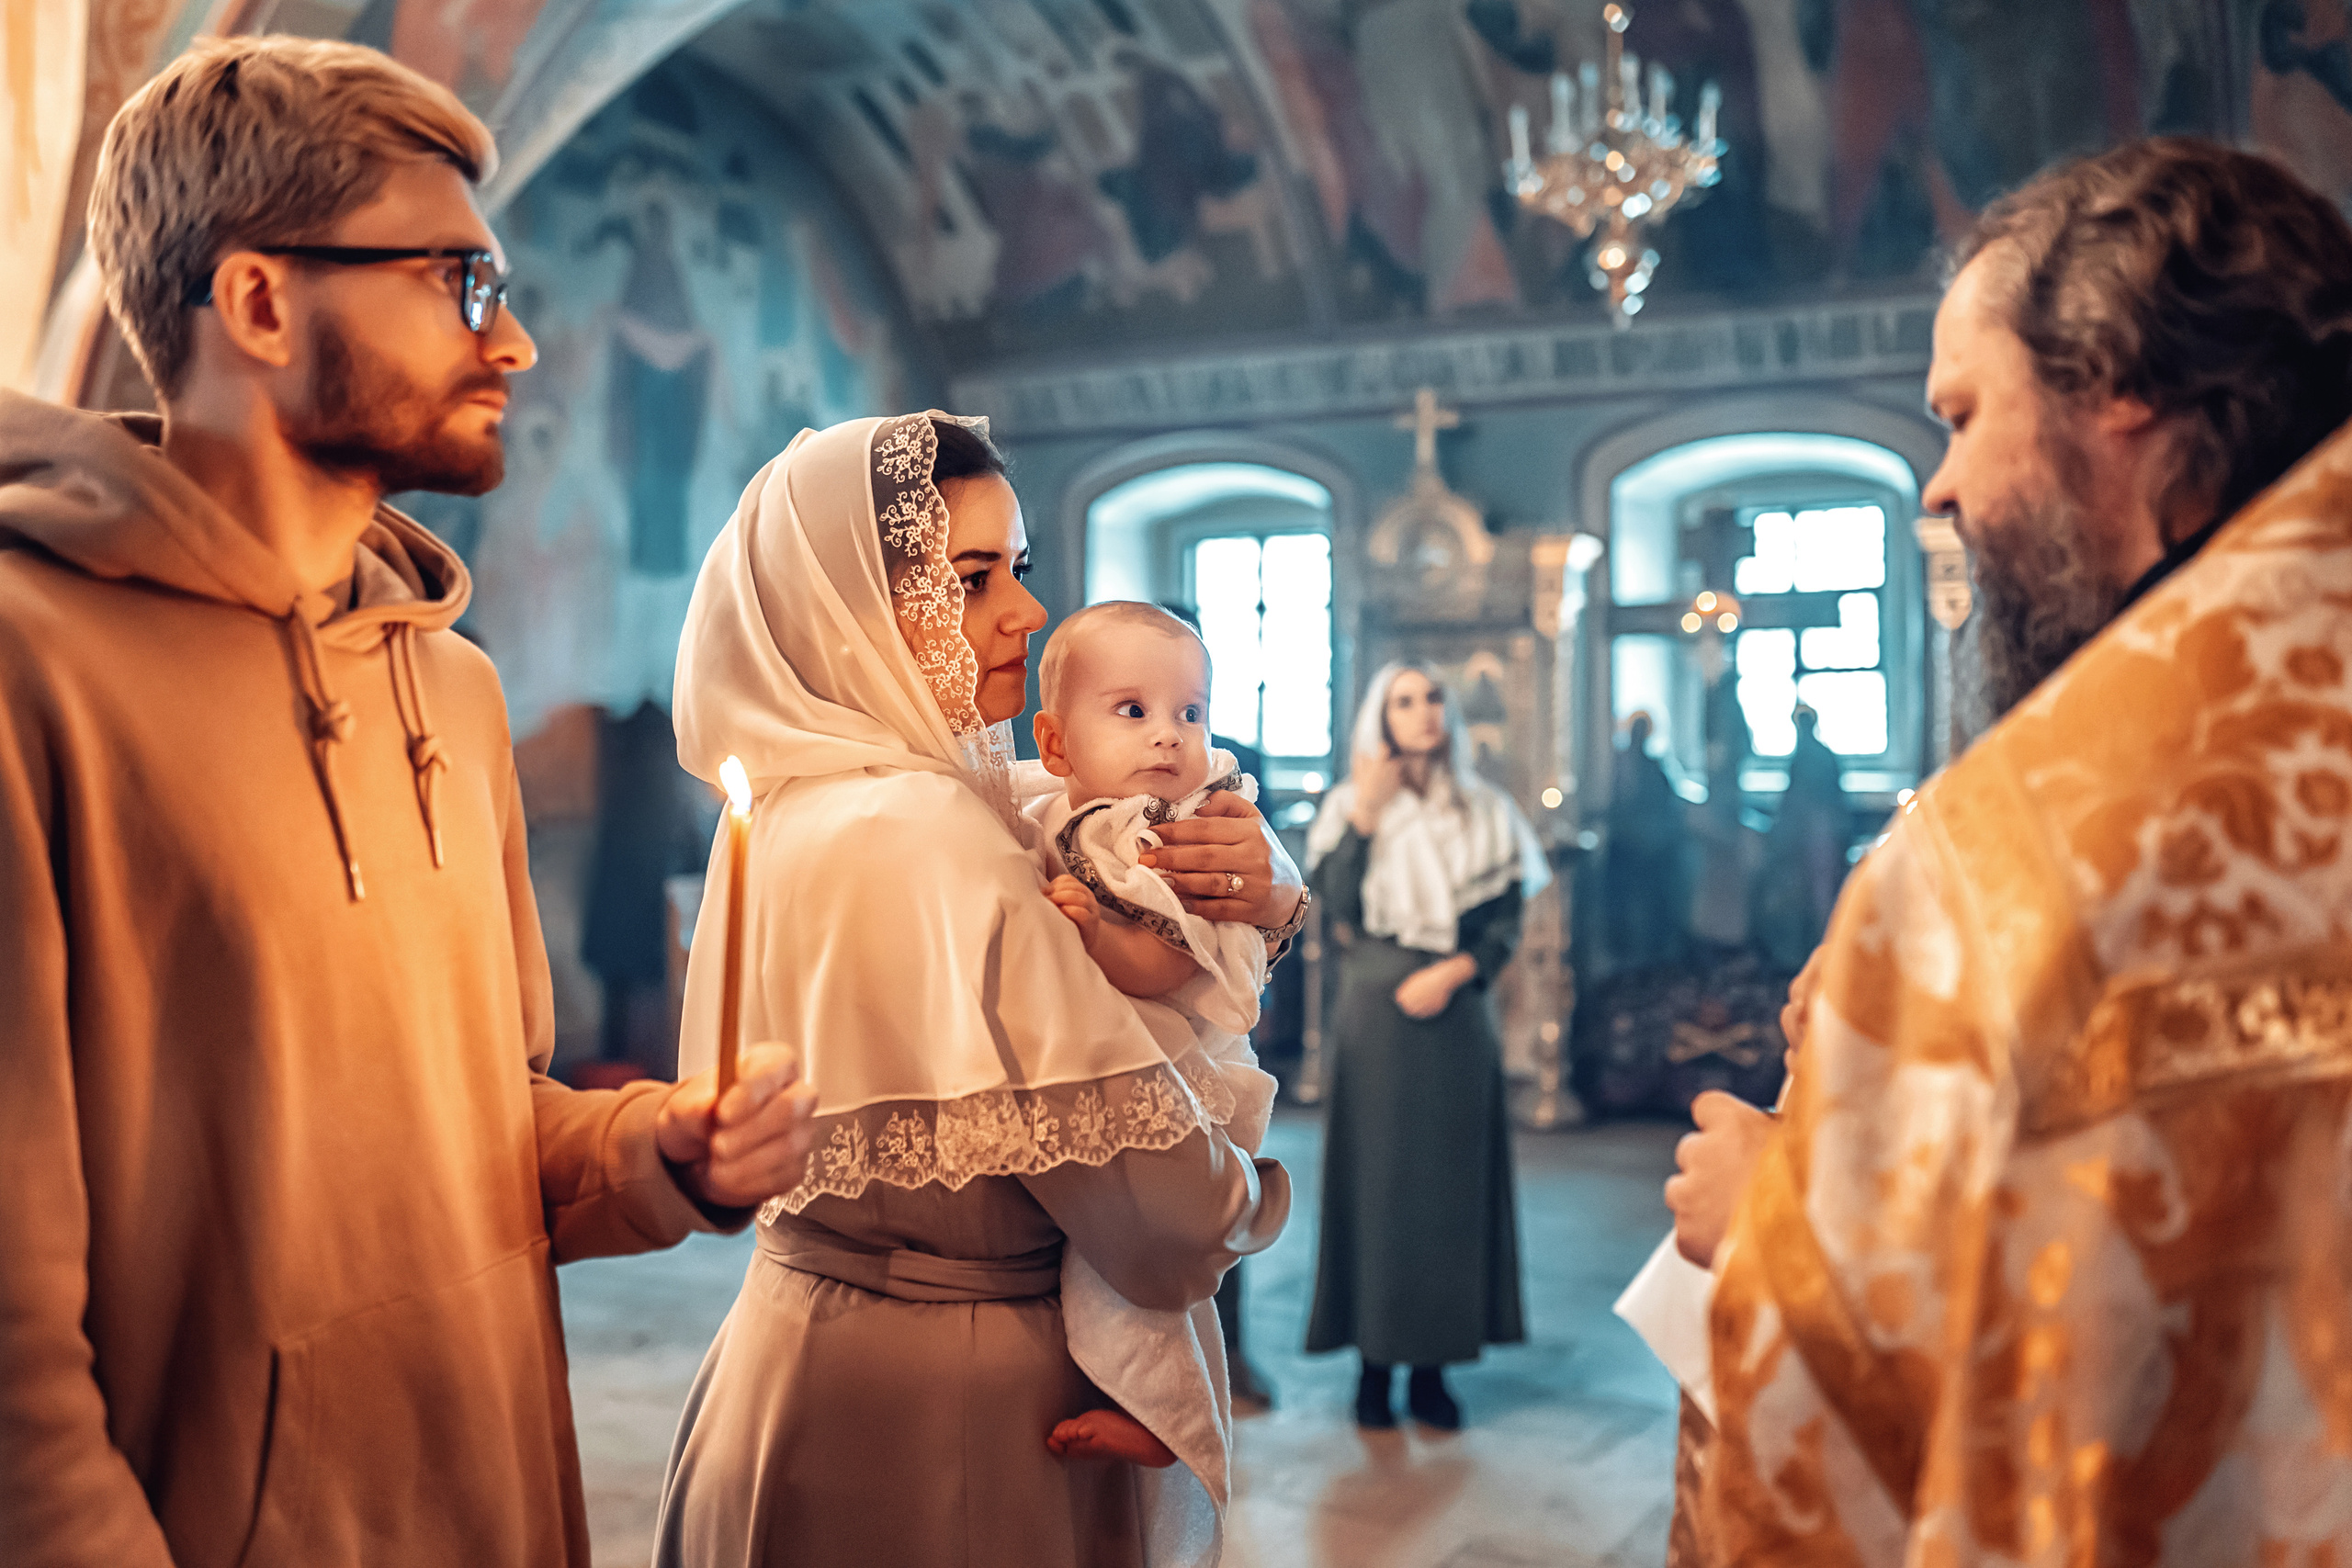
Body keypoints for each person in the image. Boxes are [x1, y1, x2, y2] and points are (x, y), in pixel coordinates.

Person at [0, 37, 818, 1568]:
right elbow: (14, 1352)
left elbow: (488, 1125)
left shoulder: (454, 687)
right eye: (461, 283)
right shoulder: (31, 667)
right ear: (259, 301)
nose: (514, 344)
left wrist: (659, 1147)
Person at [1665, 137, 2352, 1562]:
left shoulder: (2026, 850)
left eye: (1966, 415)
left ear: (2116, 387)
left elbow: (2013, 1398)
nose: (1940, 486)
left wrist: (1775, 1220)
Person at [652, 414, 1306, 1568]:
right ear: (853, 608)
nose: (1027, 611)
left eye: (1020, 567)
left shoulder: (804, 799)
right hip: (948, 1427)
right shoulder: (927, 831)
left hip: (791, 1361)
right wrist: (1248, 1189)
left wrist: (1258, 895)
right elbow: (1166, 1225)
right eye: (972, 578)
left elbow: (1084, 815)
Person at [1024, 602, 1283, 1516]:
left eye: (1190, 712)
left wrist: (1098, 936)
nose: (1169, 736)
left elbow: (1174, 957)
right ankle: (1131, 1392)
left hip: (1185, 1076)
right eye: (1132, 711)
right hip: (1118, 1068)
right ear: (1055, 744)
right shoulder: (1061, 810)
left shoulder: (1169, 835)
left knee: (1138, 1266)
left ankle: (1168, 1413)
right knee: (1093, 1260)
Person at [1303, 660, 1550, 1429]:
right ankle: (1373, 1366)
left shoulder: (1485, 809)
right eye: (1404, 701)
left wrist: (1456, 971)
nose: (1423, 712)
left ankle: (1434, 1370)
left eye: (1433, 697)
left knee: (1449, 1186)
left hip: (1455, 1009)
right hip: (1375, 1007)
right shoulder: (1349, 804)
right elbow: (1335, 906)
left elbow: (1504, 920)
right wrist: (1367, 815)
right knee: (1376, 1182)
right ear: (1381, 718)